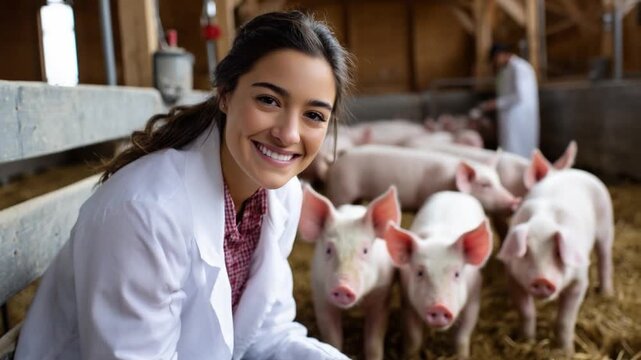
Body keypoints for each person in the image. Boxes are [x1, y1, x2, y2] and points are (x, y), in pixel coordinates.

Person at [15, 11, 353, 360]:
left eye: (313, 115)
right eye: (268, 100)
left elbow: (264, 333)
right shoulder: (144, 212)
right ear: (225, 94)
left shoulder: (282, 196)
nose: (289, 134)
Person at [478, 43, 540, 158]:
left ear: (501, 55)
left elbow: (520, 96)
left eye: (495, 58)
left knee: (520, 150)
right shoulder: (504, 70)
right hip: (509, 116)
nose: (495, 62)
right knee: (509, 150)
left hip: (519, 117)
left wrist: (496, 103)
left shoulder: (520, 67)